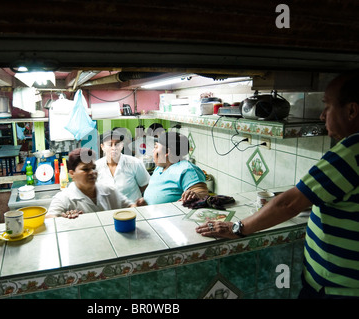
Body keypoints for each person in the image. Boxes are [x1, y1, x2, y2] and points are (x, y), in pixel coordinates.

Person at [195, 70, 359, 299]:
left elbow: (289, 204)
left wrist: (236, 227)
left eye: (328, 106)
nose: (322, 115)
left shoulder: (350, 153)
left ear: (351, 110)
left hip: (338, 289)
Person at [48, 147, 145, 219]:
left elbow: (129, 207)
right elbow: (49, 219)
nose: (92, 172)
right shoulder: (64, 198)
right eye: (85, 169)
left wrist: (138, 206)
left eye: (93, 168)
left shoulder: (109, 191)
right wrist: (62, 220)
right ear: (72, 174)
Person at [142, 131, 208, 205]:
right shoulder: (160, 168)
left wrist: (194, 194)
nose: (153, 151)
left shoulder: (186, 169)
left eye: (156, 147)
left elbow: (202, 193)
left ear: (167, 152)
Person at [96, 128, 150, 202]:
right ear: (102, 147)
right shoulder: (96, 166)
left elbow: (145, 184)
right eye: (109, 145)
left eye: (117, 144)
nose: (114, 148)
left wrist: (132, 199)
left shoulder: (134, 163)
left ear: (122, 145)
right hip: (108, 210)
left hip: (132, 208)